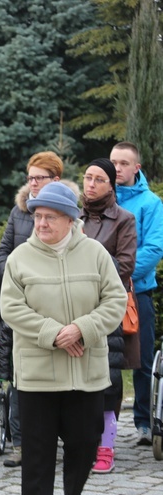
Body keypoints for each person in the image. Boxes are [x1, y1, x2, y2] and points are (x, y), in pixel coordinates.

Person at [1, 182, 127, 495]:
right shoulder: (20, 258)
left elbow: (115, 300)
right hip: (38, 377)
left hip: (85, 373)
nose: (41, 223)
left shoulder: (96, 254)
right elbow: (11, 308)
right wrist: (55, 334)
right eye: (38, 216)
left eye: (51, 217)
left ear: (71, 220)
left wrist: (82, 328)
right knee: (37, 458)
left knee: (85, 445)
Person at [0, 151, 71, 468]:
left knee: (62, 381)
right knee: (19, 378)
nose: (32, 183)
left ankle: (67, 443)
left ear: (55, 179)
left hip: (57, 309)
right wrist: (17, 278)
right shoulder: (19, 211)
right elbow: (3, 253)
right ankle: (21, 445)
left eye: (38, 178)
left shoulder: (65, 213)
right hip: (21, 306)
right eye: (29, 178)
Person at [79, 158, 137, 473]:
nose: (91, 184)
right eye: (87, 177)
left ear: (111, 185)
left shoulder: (123, 219)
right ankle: (81, 441)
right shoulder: (71, 216)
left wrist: (87, 272)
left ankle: (106, 446)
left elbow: (126, 264)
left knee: (108, 379)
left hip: (107, 307)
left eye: (98, 179)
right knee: (77, 377)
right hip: (71, 308)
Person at [111, 141, 163, 446]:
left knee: (141, 360)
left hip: (136, 293)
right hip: (99, 294)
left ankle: (143, 421)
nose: (117, 169)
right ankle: (102, 423)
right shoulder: (100, 199)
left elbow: (154, 249)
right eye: (114, 162)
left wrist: (118, 275)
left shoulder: (151, 203)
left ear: (136, 168)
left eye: (123, 163)